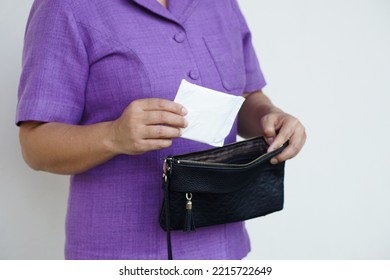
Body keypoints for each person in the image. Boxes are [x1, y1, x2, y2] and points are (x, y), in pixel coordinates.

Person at [16, 0, 306, 259]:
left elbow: (246, 97)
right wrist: (113, 136)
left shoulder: (221, 3)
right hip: (121, 253)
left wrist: (270, 117)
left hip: (223, 249)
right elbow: (34, 145)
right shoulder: (65, 6)